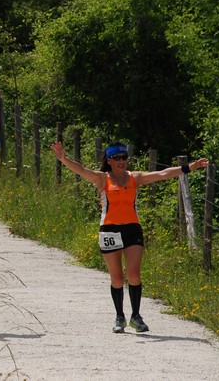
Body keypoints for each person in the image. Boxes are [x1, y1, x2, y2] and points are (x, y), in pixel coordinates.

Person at [51, 141, 208, 333]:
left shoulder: (135, 177)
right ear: (109, 160)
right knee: (117, 278)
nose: (121, 161)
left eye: (124, 158)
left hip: (132, 229)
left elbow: (162, 174)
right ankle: (119, 317)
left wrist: (189, 167)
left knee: (134, 274)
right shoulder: (102, 179)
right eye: (117, 158)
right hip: (109, 230)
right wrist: (63, 159)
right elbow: (81, 169)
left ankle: (136, 316)